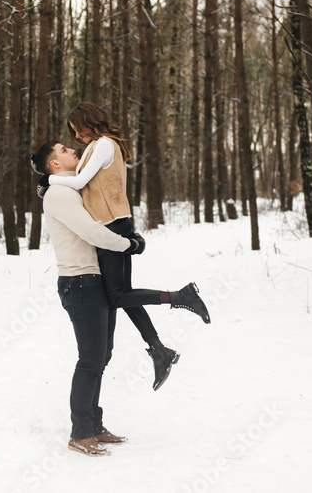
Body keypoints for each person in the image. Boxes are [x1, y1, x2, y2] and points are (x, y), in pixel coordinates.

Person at [42, 102, 211, 391]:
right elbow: (84, 186)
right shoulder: (99, 146)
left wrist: (48, 179)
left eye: (76, 130)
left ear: (87, 123)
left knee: (117, 296)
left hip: (112, 225)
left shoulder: (105, 144)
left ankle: (180, 297)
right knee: (119, 296)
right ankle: (159, 350)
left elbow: (81, 180)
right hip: (111, 224)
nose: (76, 137)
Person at [31, 140, 143, 457]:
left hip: (93, 279)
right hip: (79, 282)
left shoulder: (69, 188)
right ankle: (80, 433)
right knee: (91, 360)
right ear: (54, 164)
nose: (72, 151)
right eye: (64, 150)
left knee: (101, 356)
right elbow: (91, 231)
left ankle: (94, 425)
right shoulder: (59, 194)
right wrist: (128, 245)